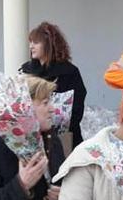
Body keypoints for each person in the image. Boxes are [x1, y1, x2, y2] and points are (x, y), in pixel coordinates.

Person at [19, 21, 87, 149]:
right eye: (30, 42)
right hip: (32, 138)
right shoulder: (25, 71)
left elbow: (77, 108)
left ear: (48, 44)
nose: (31, 46)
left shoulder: (69, 72)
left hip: (64, 137)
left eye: (36, 42)